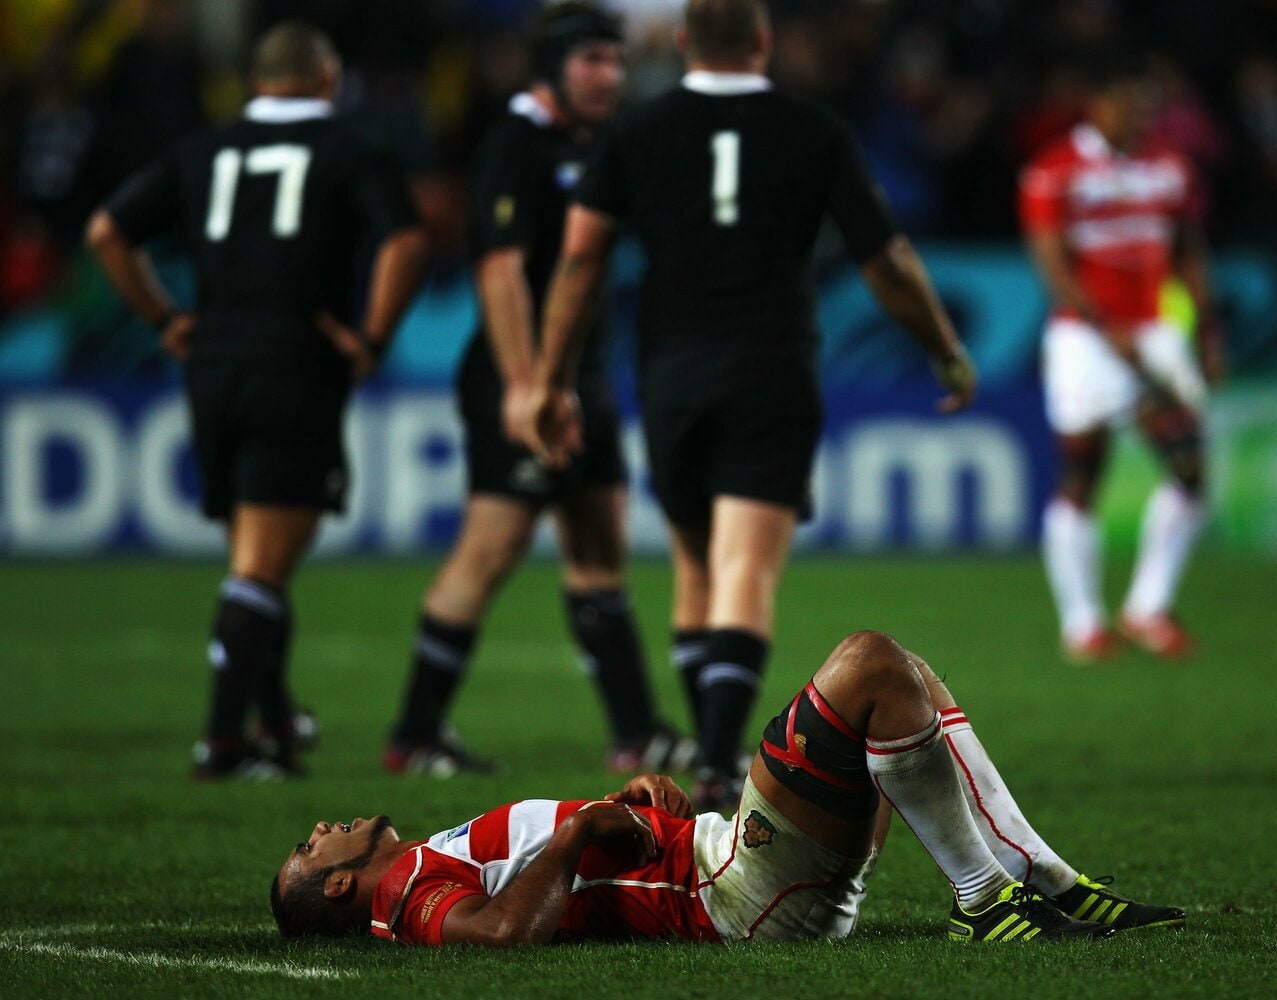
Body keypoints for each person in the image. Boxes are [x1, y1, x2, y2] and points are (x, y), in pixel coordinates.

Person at [521, 0, 976, 811]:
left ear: (684, 42)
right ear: (763, 42)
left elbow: (581, 259)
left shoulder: (637, 130)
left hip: (671, 372)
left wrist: (550, 380)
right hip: (772, 369)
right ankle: (720, 758)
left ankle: (711, 753)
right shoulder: (814, 130)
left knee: (696, 566)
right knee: (746, 568)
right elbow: (887, 259)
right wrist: (941, 347)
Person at [270, 629, 1185, 945]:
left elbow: (566, 877)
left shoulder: (417, 864)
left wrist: (619, 814)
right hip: (731, 895)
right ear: (341, 887)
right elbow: (497, 937)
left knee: (904, 670)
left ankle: (1046, 883)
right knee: (868, 664)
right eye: (310, 850)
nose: (320, 828)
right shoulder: (406, 898)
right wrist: (584, 830)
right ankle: (983, 900)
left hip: (715, 863)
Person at [86, 21, 428, 779]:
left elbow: (108, 231)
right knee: (262, 568)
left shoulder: (201, 149)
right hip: (293, 361)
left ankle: (273, 718)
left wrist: (165, 319)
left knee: (257, 558)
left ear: (254, 83)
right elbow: (407, 241)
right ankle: (224, 744)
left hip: (211, 367)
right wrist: (370, 340)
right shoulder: (350, 149)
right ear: (327, 77)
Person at [382, 3, 687, 777]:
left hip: (583, 374)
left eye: (615, 62)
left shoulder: (599, 146)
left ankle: (637, 733)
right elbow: (500, 268)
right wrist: (527, 385)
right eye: (590, 60)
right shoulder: (513, 145)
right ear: (551, 67)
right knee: (491, 549)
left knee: (599, 546)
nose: (609, 76)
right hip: (515, 378)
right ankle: (414, 735)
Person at [1019, 51, 1222, 664]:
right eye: (1127, 105)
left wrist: (1206, 328)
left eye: (1147, 107)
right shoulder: (1055, 170)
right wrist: (1106, 326)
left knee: (1189, 467)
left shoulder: (1169, 168)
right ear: (1097, 104)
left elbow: (1188, 249)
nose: (1138, 117)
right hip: (1085, 337)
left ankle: (1147, 607)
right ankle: (1083, 623)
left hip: (1155, 331)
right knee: (1082, 473)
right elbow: (1052, 262)